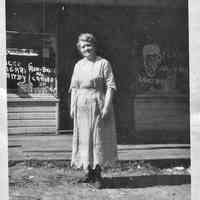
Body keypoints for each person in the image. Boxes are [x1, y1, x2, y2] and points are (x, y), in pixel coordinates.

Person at [69, 33, 118, 189]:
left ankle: (97, 175)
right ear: (79, 49)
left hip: (97, 103)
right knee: (84, 139)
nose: (86, 48)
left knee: (97, 138)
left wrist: (106, 106)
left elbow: (110, 86)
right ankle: (88, 173)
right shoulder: (78, 65)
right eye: (83, 46)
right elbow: (74, 88)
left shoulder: (103, 63)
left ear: (94, 46)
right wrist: (72, 107)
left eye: (89, 45)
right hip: (81, 105)